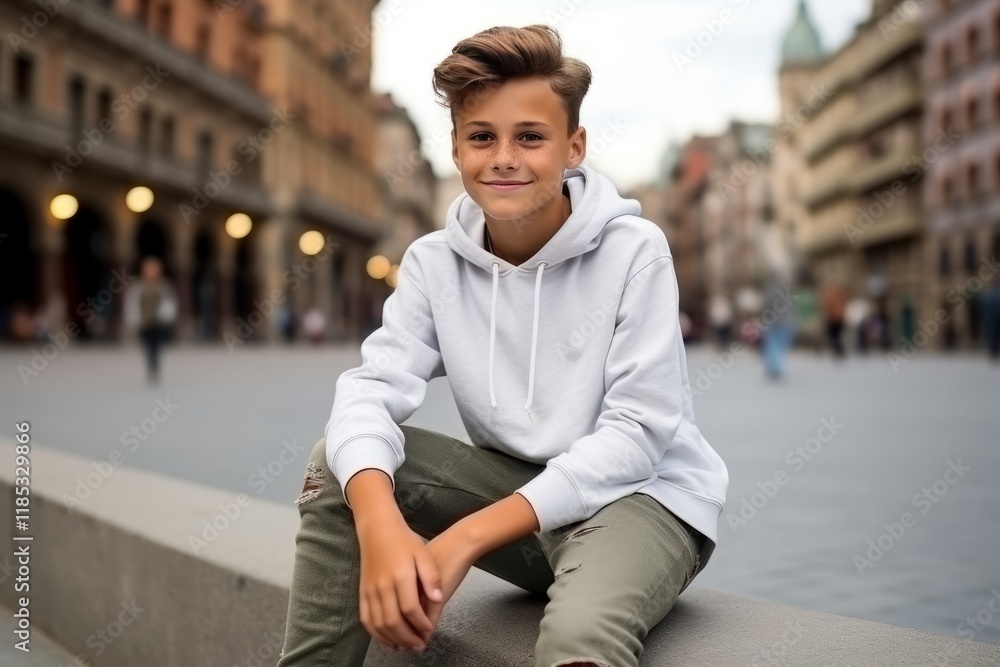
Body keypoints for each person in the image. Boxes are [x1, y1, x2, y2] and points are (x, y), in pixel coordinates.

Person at [276, 25, 729, 667]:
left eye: (531, 137)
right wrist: (378, 525)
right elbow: (370, 390)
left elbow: (637, 433)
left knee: (579, 646)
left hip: (643, 503)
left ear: (573, 147)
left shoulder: (636, 249)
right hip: (526, 514)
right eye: (482, 136)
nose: (504, 157)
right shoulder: (433, 264)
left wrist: (464, 538)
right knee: (342, 467)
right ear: (458, 149)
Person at [124, 256, 177, 384]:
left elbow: (170, 302)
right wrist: (133, 319)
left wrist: (167, 315)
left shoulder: (164, 285)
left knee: (156, 344)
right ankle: (151, 366)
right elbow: (132, 302)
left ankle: (154, 366)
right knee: (148, 345)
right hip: (144, 322)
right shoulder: (138, 286)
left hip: (158, 322)